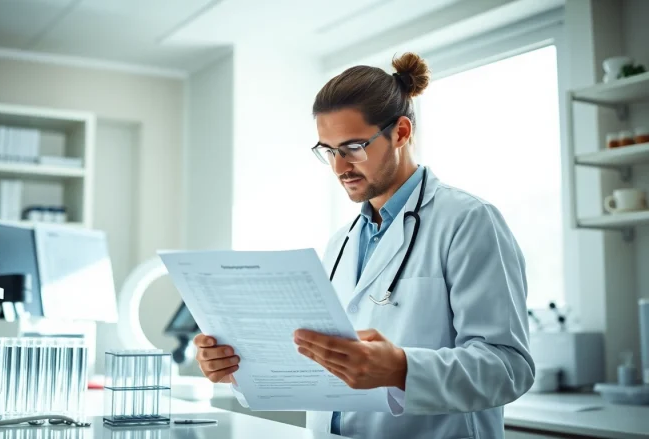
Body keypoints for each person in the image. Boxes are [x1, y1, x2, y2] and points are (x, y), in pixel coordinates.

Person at [192, 52, 534, 438]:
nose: (339, 167)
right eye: (328, 151)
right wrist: (238, 366)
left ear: (401, 133)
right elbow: (319, 363)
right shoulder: (341, 244)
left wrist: (402, 369)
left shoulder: (469, 221)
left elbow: (508, 368)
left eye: (353, 146)